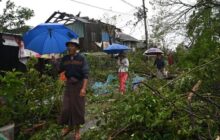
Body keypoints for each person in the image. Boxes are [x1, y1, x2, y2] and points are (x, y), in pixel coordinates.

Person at [58, 38, 89, 140]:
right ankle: (69, 127)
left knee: (77, 109)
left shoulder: (81, 58)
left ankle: (77, 131)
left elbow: (86, 75)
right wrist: (55, 61)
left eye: (72, 46)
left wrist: (83, 88)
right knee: (66, 108)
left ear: (76, 48)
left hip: (79, 85)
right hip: (69, 85)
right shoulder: (65, 59)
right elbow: (59, 70)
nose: (70, 47)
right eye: (69, 46)